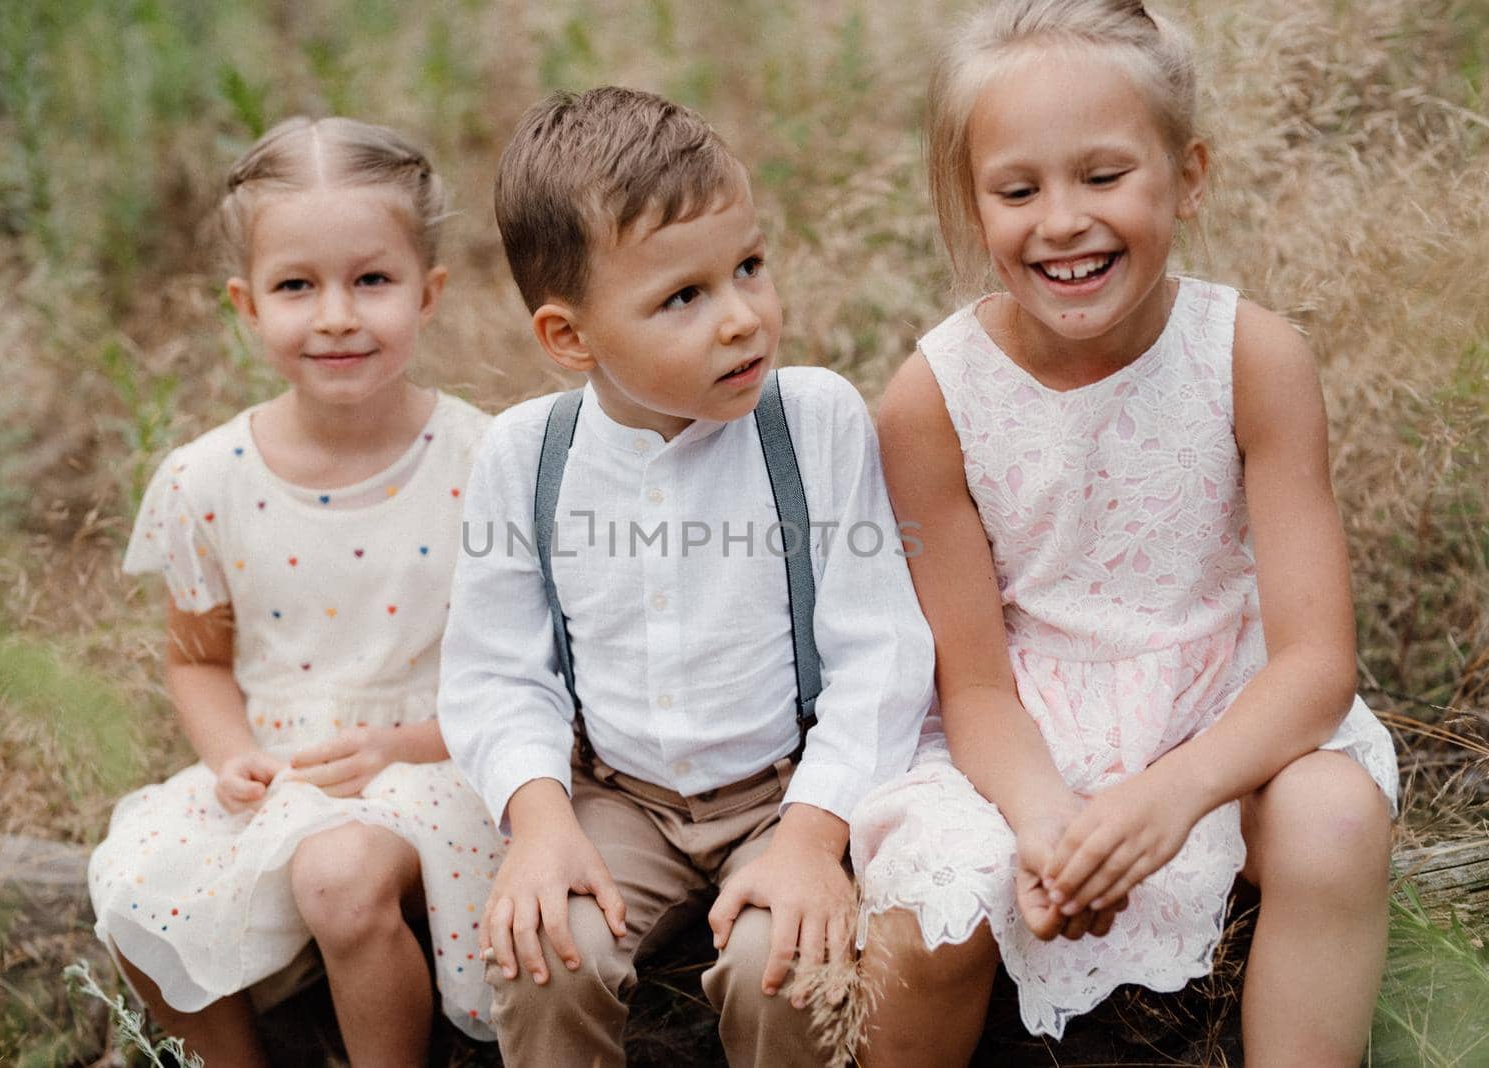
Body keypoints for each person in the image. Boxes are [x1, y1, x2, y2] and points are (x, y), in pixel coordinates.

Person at [848, 2, 1400, 1064]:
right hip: (1029, 728)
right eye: (1017, 190)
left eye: (1103, 177)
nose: (1060, 221)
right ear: (973, 203)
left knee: (1333, 822)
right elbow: (972, 686)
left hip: (1225, 710)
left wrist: (1181, 791)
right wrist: (1048, 820)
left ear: (1187, 176)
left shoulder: (1253, 358)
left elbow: (1317, 661)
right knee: (942, 901)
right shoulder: (929, 402)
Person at [436, 86, 935, 1068]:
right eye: (684, 298)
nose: (743, 319)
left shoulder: (814, 424)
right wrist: (539, 820)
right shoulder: (525, 456)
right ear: (570, 339)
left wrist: (810, 836)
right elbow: (498, 671)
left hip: (785, 786)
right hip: (616, 798)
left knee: (786, 964)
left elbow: (879, 653)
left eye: (749, 267)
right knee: (549, 952)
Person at [86, 116, 504, 1067]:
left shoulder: (484, 461)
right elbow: (195, 658)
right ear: (245, 305)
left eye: (372, 280)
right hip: (282, 768)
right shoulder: (208, 478)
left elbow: (530, 668)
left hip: (436, 761)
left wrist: (405, 746)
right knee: (133, 890)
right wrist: (232, 757)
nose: (336, 316)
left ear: (429, 291)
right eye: (295, 287)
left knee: (337, 875)